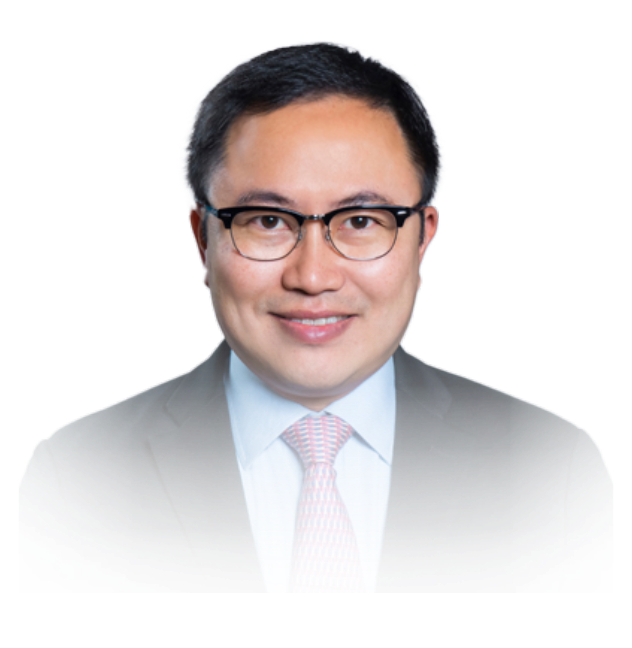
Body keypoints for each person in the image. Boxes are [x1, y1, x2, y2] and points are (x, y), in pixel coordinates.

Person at [18, 40, 612, 593]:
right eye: (267, 221)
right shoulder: (75, 482)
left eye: (360, 221)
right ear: (202, 237)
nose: (312, 276)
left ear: (423, 235)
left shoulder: (553, 476)